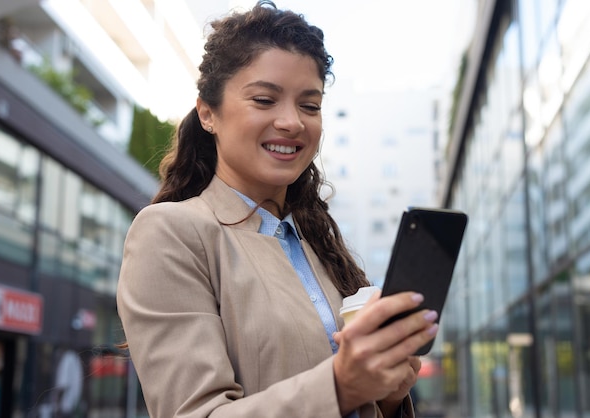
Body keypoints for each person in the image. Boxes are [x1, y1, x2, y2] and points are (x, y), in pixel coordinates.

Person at [116, 1, 438, 417]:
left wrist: (389, 393)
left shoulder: (318, 249)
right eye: (265, 100)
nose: (292, 122)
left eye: (310, 105)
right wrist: (341, 385)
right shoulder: (169, 233)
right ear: (208, 112)